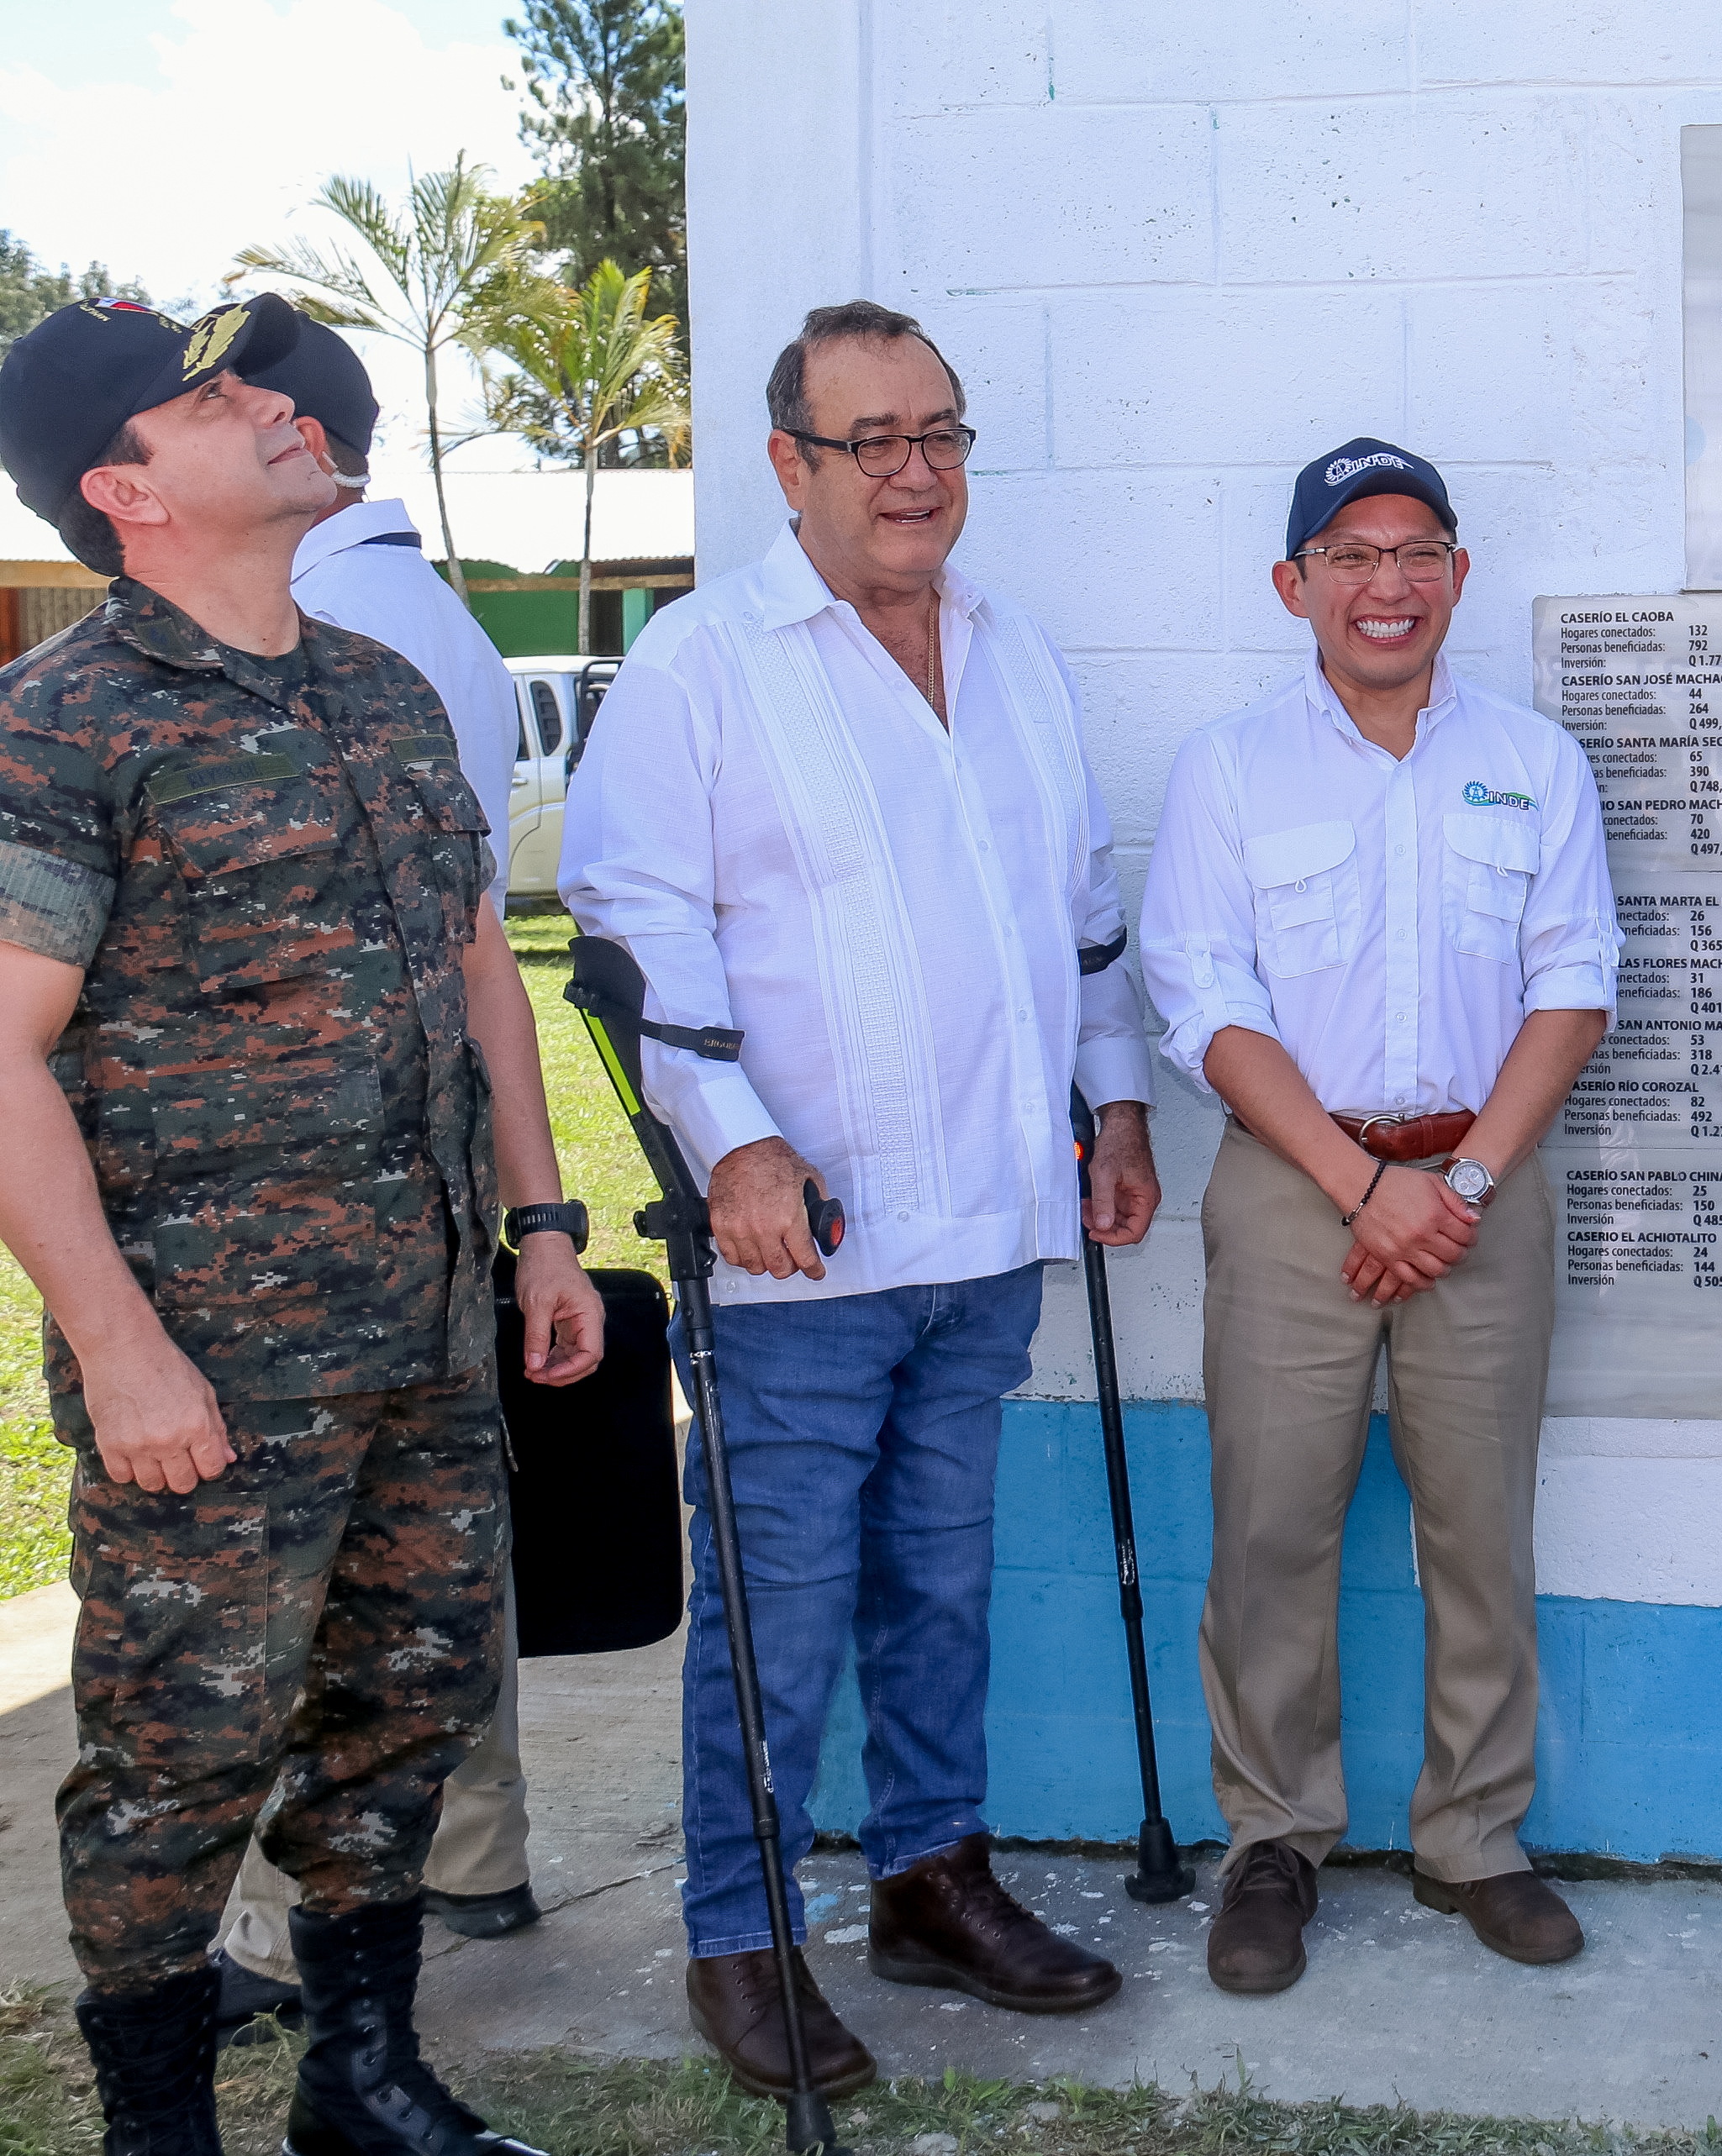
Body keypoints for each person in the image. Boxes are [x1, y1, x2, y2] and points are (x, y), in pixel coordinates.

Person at [0, 292, 603, 2153]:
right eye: (214, 396)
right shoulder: (62, 723)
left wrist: (548, 1218)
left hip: (421, 1334)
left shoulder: (385, 689)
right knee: (178, 1759)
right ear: (121, 485)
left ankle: (362, 2076)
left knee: (401, 1716)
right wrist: (119, 1345)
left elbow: (480, 965)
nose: (276, 402)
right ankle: (158, 2125)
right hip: (210, 1376)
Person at [561, 297, 1162, 2100]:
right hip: (798, 1236)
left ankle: (928, 1875)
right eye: (870, 440)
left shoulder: (1013, 649)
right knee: (783, 1605)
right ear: (788, 466)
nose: (914, 473)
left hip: (989, 1220)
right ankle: (741, 1936)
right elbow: (628, 933)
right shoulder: (705, 661)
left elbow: (1082, 917)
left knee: (939, 1581)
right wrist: (730, 1139)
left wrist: (1117, 1103)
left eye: (941, 434)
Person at [1138, 437, 1615, 1994]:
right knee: (1272, 1528)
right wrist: (1365, 1186)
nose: (1386, 583)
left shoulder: (1536, 761)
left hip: (1483, 1181)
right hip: (1296, 1186)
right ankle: (1274, 1840)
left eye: (1416, 551)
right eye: (1348, 556)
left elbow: (1574, 981)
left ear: (1459, 574)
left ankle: (1475, 1836)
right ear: (1296, 586)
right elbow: (1200, 997)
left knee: (1481, 1528)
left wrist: (1458, 1182)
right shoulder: (1228, 769)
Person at [203, 315, 549, 2047]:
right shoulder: (441, 616)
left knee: (333, 1556)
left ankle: (343, 1889)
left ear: (294, 430)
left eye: (222, 400)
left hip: (340, 1182)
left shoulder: (328, 630)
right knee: (431, 1516)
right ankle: (467, 1841)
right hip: (426, 1154)